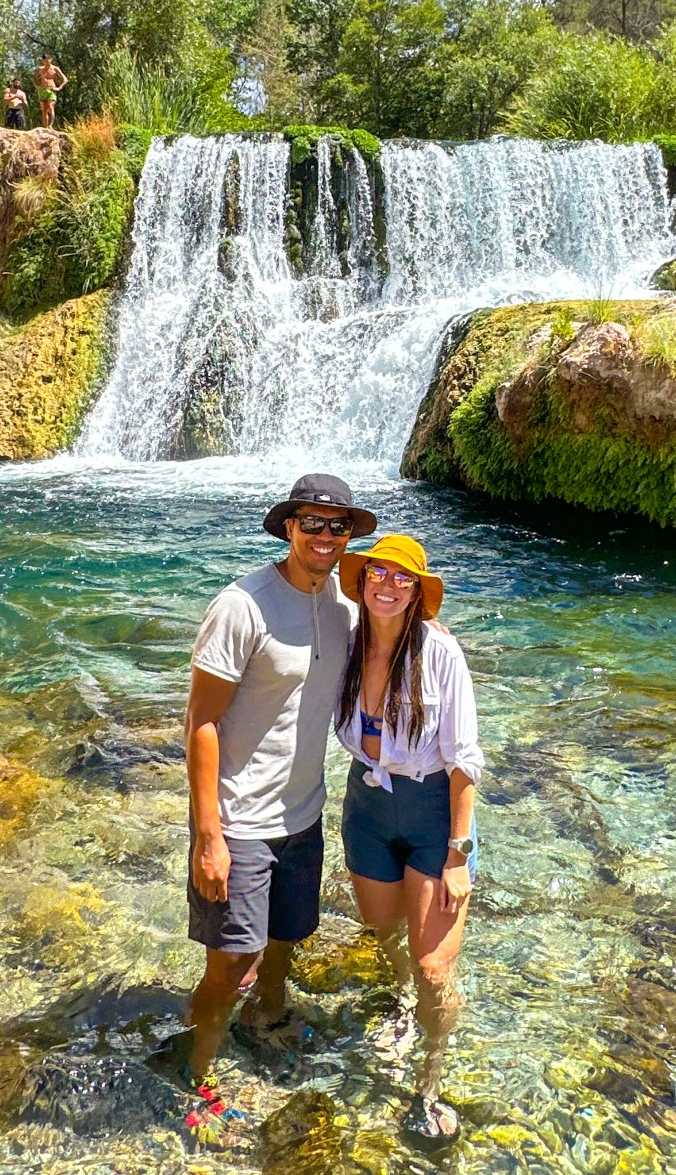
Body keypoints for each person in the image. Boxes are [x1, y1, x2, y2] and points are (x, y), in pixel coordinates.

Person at [179, 473, 377, 1133]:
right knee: (232, 959)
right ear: (288, 528)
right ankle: (198, 1073)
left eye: (337, 526)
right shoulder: (243, 606)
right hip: (238, 819)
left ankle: (268, 1018)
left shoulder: (344, 609)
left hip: (303, 813)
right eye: (311, 523)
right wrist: (209, 834)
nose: (324, 536)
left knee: (288, 939)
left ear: (350, 537)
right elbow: (201, 723)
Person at [335, 533, 483, 1147]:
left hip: (429, 810)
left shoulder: (440, 652)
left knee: (433, 966)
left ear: (419, 593)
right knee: (381, 930)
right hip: (366, 804)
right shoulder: (343, 645)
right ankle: (399, 1005)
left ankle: (431, 1078)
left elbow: (466, 760)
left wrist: (458, 854)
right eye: (379, 573)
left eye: (404, 578)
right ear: (363, 580)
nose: (389, 585)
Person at [32, 56, 68, 128]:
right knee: (44, 109)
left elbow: (65, 79)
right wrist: (36, 86)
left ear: (50, 60)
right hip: (43, 90)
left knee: (51, 106)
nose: (46, 61)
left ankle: (50, 125)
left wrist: (59, 88)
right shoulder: (40, 69)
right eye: (44, 60)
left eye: (47, 60)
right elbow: (33, 78)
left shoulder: (55, 68)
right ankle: (46, 127)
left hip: (51, 89)